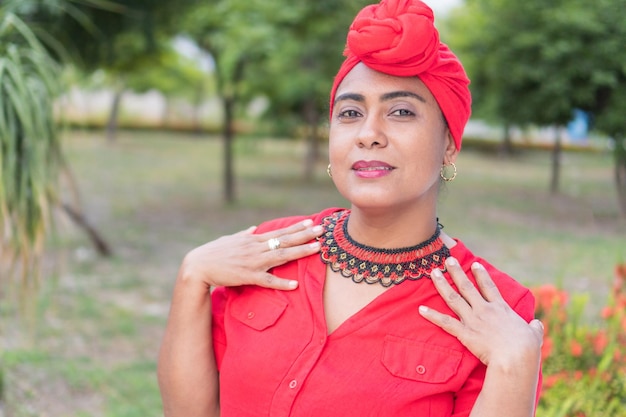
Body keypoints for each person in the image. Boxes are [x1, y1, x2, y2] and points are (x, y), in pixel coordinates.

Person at [157, 1, 544, 416]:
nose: (368, 134)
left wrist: (514, 367)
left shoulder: (493, 305)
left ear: (448, 143)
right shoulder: (267, 251)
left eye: (400, 111)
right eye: (350, 113)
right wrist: (193, 275)